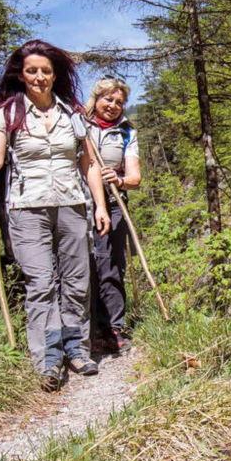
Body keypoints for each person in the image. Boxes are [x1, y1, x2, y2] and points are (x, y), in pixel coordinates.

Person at [0, 41, 110, 388]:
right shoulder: (7, 115)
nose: (39, 77)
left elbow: (89, 164)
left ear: (54, 74)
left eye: (45, 71)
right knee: (41, 283)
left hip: (72, 204)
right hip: (26, 208)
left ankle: (77, 349)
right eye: (31, 71)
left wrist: (100, 205)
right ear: (21, 75)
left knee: (77, 280)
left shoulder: (73, 114)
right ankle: (48, 359)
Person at [83, 76, 141, 357]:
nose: (113, 106)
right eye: (108, 99)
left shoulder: (126, 132)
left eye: (119, 102)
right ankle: (85, 330)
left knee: (110, 265)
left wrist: (119, 180)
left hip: (114, 202)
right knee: (80, 265)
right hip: (77, 201)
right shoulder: (79, 124)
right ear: (96, 99)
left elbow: (135, 178)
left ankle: (112, 328)